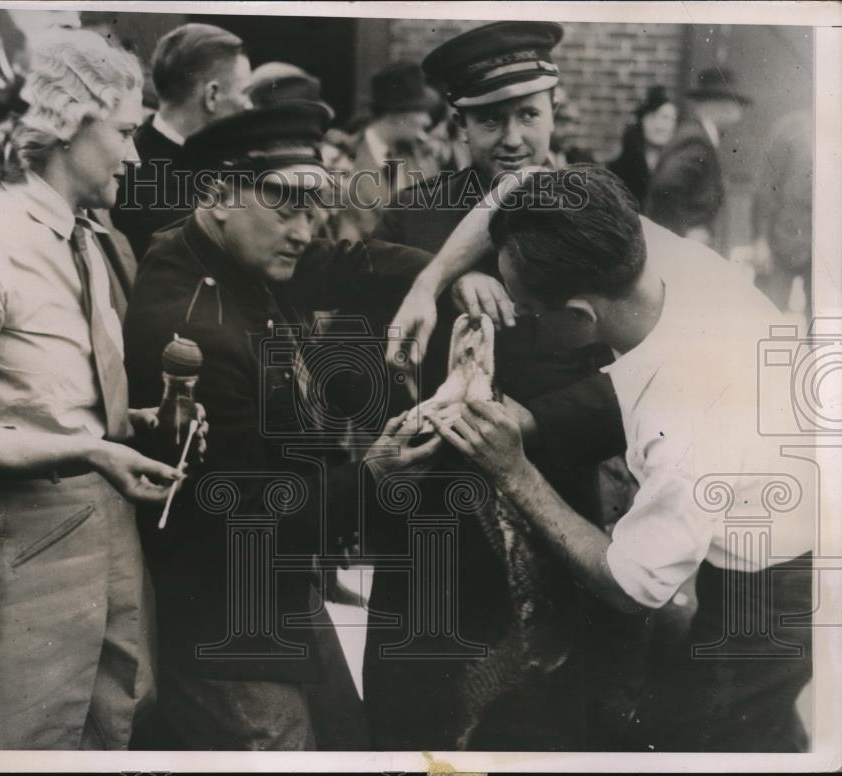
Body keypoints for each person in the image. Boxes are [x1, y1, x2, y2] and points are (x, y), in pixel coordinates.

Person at [428, 166, 813, 752]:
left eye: (529, 311)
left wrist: (516, 472)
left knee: (690, 745)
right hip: (768, 497)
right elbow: (523, 182)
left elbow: (633, 585)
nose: (521, 316)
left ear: (581, 318)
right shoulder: (630, 241)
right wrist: (429, 282)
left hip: (782, 581)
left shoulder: (687, 419)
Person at [122, 101, 442, 750]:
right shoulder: (192, 324)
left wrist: (445, 278)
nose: (305, 230)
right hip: (226, 619)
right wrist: (374, 469)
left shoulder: (238, 254)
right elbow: (241, 517)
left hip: (274, 590)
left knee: (352, 743)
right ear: (217, 194)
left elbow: (349, 265)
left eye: (314, 208)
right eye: (288, 206)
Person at [0, 30, 200, 749]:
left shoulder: (90, 236)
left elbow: (56, 389)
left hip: (106, 524)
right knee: (26, 735)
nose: (137, 156)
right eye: (127, 132)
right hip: (24, 536)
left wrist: (127, 425)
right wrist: (90, 449)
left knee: (116, 720)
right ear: (69, 122)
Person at [375, 21, 641, 750]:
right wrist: (450, 272)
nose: (513, 136)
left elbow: (632, 373)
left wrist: (533, 422)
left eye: (529, 113)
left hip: (557, 488)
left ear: (557, 111)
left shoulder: (599, 208)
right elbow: (366, 303)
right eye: (491, 118)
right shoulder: (413, 215)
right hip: (441, 516)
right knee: (428, 720)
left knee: (554, 715)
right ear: (457, 123)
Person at [110, 23, 253, 260]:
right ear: (212, 95)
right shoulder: (129, 177)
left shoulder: (226, 165)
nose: (249, 106)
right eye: (245, 93)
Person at [643, 68, 751, 246]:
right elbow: (665, 187)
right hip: (677, 249)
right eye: (734, 104)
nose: (738, 114)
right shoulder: (696, 140)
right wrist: (684, 231)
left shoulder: (700, 137)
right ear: (717, 106)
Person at [347, 61, 442, 237]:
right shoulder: (345, 158)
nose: (427, 121)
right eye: (421, 111)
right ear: (396, 115)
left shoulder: (424, 160)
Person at [750, 110, 813, 318]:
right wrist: (761, 240)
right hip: (782, 241)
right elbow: (767, 187)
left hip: (828, 251)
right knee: (767, 318)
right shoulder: (792, 129)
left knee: (825, 326)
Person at [608, 85, 679, 207]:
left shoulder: (680, 165)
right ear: (642, 121)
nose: (659, 126)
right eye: (653, 117)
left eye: (667, 119)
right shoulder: (621, 167)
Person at [548, 86, 596, 168]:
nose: (571, 130)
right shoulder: (529, 163)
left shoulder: (582, 160)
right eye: (563, 121)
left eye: (576, 122)